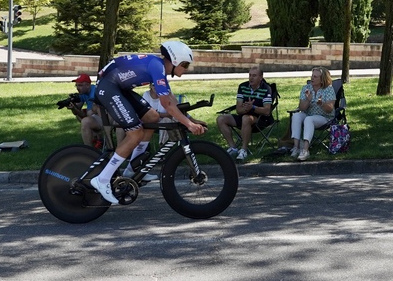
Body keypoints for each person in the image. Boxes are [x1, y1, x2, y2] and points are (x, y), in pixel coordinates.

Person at [87, 41, 205, 205]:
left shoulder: (159, 67)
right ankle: (102, 179)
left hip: (118, 87)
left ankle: (132, 169)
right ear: (176, 60)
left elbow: (170, 99)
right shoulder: (157, 67)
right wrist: (189, 125)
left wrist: (191, 120)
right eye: (185, 65)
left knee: (152, 118)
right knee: (135, 133)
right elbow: (168, 105)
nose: (185, 69)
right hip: (108, 87)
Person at [216, 65, 275, 161]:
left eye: (254, 75)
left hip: (260, 119)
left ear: (260, 77)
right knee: (221, 119)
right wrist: (246, 109)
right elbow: (238, 109)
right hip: (243, 114)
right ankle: (233, 147)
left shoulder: (266, 89)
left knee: (246, 118)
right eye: (250, 75)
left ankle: (243, 150)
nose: (251, 78)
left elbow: (267, 110)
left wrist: (253, 108)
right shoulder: (242, 86)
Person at [290, 67, 336, 161]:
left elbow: (330, 109)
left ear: (322, 79)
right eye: (312, 76)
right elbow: (301, 108)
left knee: (308, 119)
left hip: (324, 117)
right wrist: (308, 100)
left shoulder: (329, 89)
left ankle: (305, 150)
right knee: (296, 116)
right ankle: (296, 147)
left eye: (315, 77)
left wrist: (322, 104)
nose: (312, 78)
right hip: (308, 113)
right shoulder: (306, 88)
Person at [66, 73, 105, 149]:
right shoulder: (83, 93)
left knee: (86, 121)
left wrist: (75, 109)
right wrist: (73, 104)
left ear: (87, 85)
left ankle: (88, 150)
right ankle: (96, 138)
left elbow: (88, 114)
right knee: (79, 115)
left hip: (105, 117)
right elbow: (76, 111)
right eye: (76, 85)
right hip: (95, 115)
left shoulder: (94, 92)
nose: (77, 88)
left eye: (80, 85)